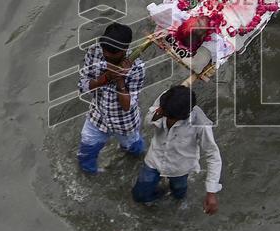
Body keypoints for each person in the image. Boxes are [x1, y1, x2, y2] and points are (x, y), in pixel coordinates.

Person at [131, 85, 222, 215]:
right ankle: (159, 195)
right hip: (154, 160)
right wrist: (156, 115)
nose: (161, 111)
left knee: (178, 194)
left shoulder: (201, 124)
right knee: (139, 195)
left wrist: (211, 192)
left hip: (180, 168)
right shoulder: (165, 99)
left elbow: (213, 155)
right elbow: (146, 124)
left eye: (166, 114)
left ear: (180, 117)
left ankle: (174, 198)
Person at [77, 22, 146, 174]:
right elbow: (83, 87)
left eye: (113, 54)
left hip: (125, 122)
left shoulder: (137, 68)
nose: (107, 56)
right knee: (85, 156)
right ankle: (91, 176)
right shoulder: (94, 52)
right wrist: (106, 77)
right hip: (97, 116)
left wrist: (121, 79)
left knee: (135, 151)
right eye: (105, 51)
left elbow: (127, 106)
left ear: (125, 49)